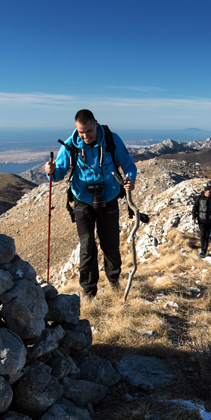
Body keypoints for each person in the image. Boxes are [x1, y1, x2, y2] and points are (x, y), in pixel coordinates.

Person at [45, 109, 137, 297]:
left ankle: (114, 283)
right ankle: (89, 292)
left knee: (110, 244)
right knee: (87, 245)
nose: (85, 136)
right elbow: (58, 173)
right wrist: (51, 171)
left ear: (95, 123)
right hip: (83, 200)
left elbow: (128, 165)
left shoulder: (111, 139)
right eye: (81, 132)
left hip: (109, 198)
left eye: (88, 131)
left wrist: (130, 179)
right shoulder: (71, 144)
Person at [192, 184, 211, 256]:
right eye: (209, 192)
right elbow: (195, 208)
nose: (210, 193)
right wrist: (194, 217)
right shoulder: (200, 198)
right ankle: (202, 250)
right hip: (201, 219)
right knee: (203, 234)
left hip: (210, 219)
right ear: (205, 192)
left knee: (207, 235)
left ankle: (204, 251)